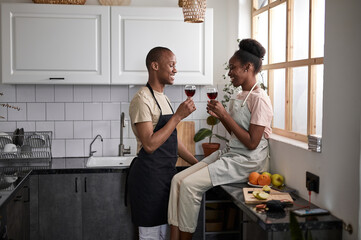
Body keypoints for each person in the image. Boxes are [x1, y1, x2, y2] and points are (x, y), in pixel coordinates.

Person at [168, 38, 273, 240]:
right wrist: (221, 116)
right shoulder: (240, 94)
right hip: (233, 154)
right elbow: (236, 134)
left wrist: (224, 115)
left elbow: (252, 143)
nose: (229, 73)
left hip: (248, 162)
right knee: (178, 180)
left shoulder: (260, 99)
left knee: (190, 186)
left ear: (248, 67)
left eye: (233, 68)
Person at [128, 46, 199, 240]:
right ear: (155, 65)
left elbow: (172, 141)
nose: (175, 69)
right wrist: (177, 117)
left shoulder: (164, 98)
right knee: (150, 235)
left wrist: (197, 164)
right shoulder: (142, 99)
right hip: (149, 180)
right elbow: (150, 144)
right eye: (172, 64)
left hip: (166, 178)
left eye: (175, 65)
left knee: (164, 234)